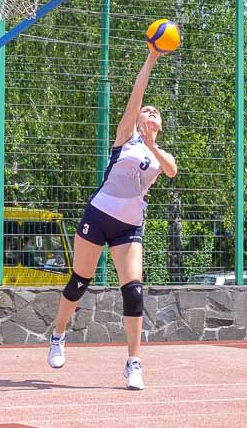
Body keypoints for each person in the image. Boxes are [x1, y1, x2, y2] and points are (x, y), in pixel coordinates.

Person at [47, 49, 177, 390]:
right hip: (99, 215)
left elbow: (172, 171)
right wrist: (151, 59)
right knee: (80, 281)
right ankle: (58, 335)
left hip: (129, 226)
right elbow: (136, 99)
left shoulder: (159, 153)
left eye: (155, 112)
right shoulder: (125, 139)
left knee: (133, 292)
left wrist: (154, 144)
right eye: (145, 111)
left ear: (161, 124)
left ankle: (134, 363)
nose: (149, 112)